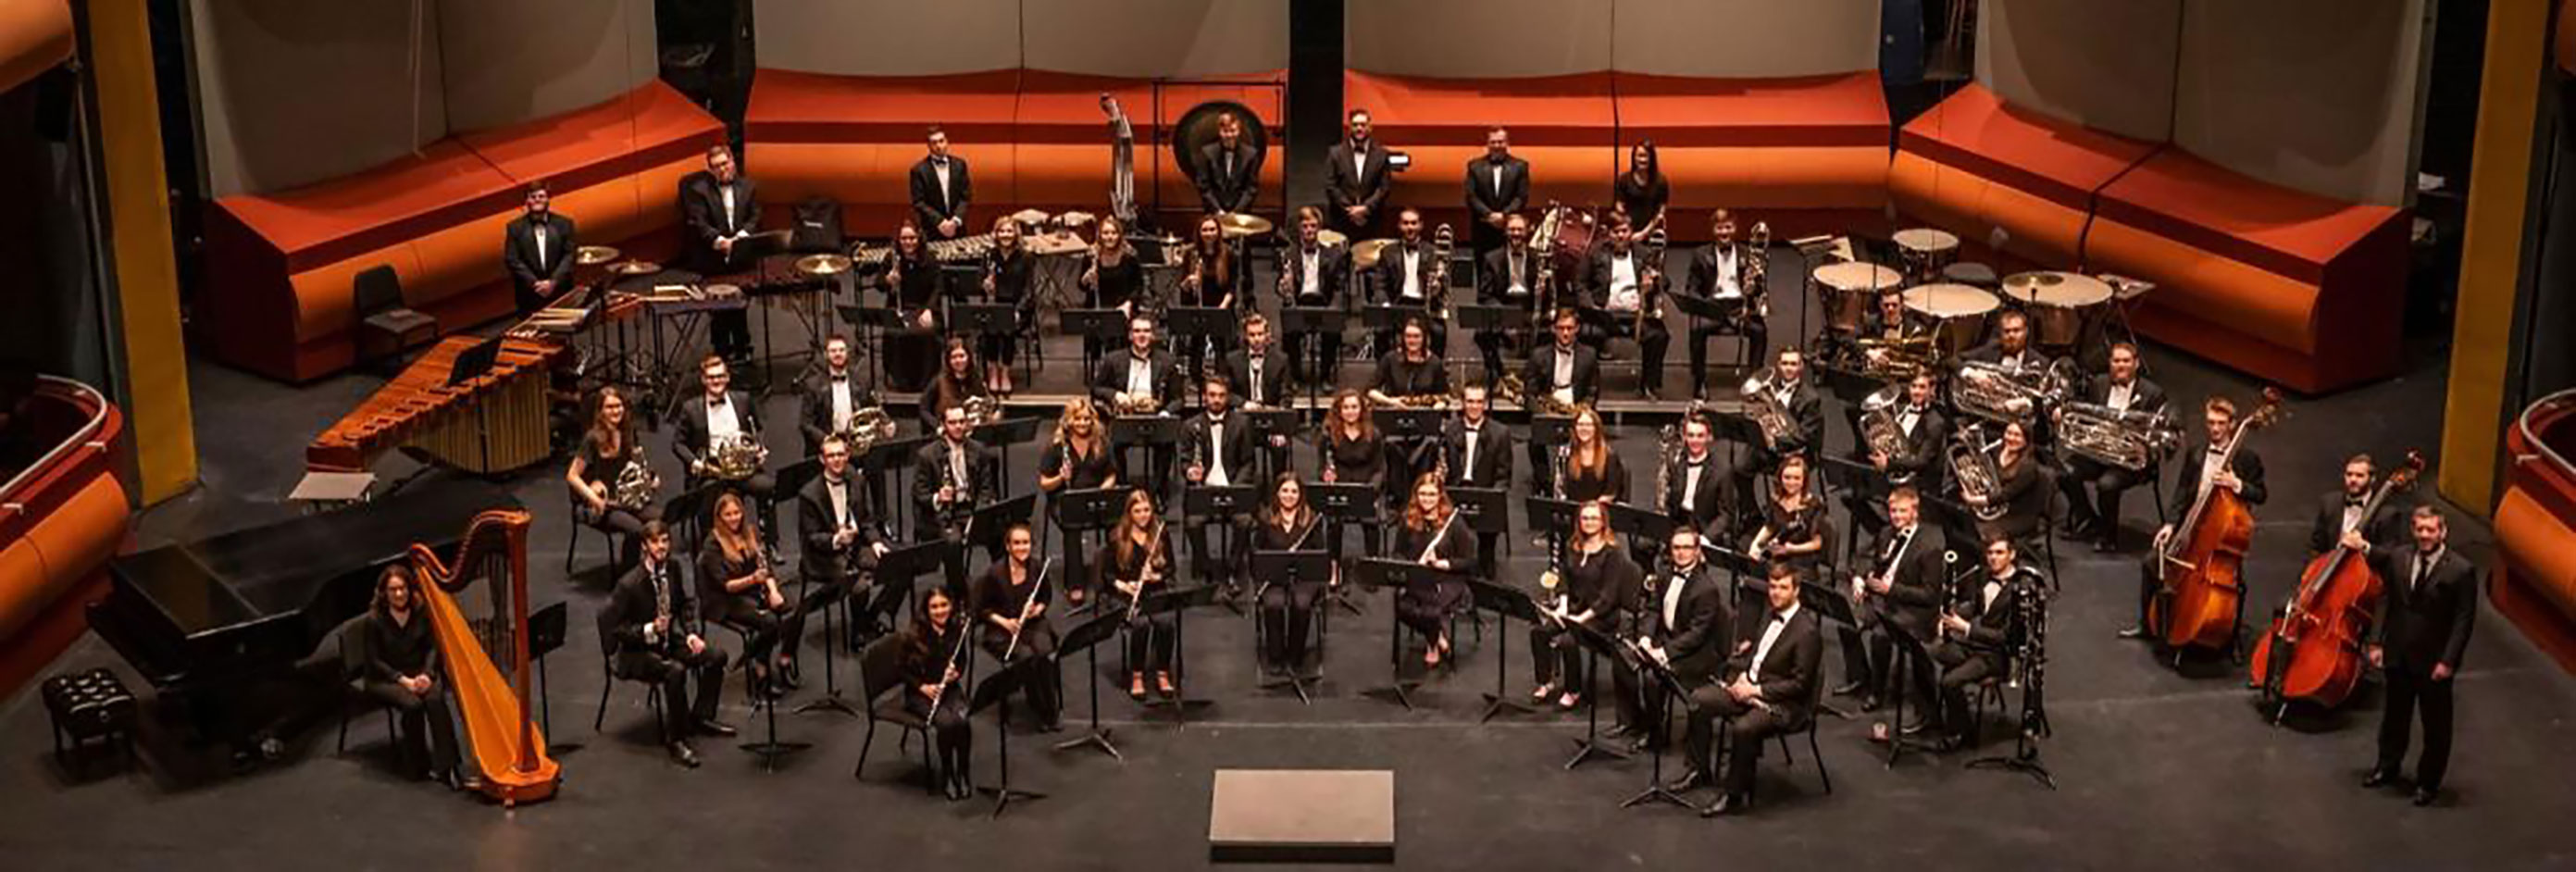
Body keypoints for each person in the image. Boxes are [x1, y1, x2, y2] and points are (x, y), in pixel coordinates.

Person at [1683, 561, 1822, 817]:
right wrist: (1742, 679)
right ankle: (1699, 770)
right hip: (1753, 686)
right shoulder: (1769, 614)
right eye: (1772, 586)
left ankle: (1734, 795)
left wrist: (1756, 691)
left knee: (1744, 727)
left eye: (1783, 587)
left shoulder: (1807, 632)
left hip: (1785, 704)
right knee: (1698, 700)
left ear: (1796, 591)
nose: (1776, 592)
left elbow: (1800, 685)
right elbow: (1756, 658)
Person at [2359, 506, 2478, 806]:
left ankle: (2428, 782)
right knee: (2394, 717)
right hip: (2398, 653)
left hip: (2433, 660)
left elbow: (2463, 620)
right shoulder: (2399, 557)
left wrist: (2448, 661)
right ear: (2413, 530)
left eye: (2431, 530)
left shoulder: (2461, 570)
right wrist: (2376, 642)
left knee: (2436, 726)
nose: (2425, 535)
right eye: (2420, 529)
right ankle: (2387, 766)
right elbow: (2386, 600)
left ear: (2443, 532)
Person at [2126, 396, 2270, 639]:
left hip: (2220, 538)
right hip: (2190, 527)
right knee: (2152, 563)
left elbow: (2261, 494)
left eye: (2221, 423)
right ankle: (2147, 626)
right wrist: (2170, 524)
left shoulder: (2247, 459)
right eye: (2211, 423)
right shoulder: (2197, 453)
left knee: (2224, 586)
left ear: (2232, 424)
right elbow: (2182, 491)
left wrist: (2237, 484)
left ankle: (2223, 634)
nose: (2215, 429)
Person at [607, 522, 733, 767]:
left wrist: (691, 634)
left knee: (716, 656)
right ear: (645, 546)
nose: (661, 546)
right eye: (655, 542)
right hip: (637, 651)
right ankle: (676, 738)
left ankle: (700, 716)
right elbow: (616, 630)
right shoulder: (629, 584)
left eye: (665, 540)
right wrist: (649, 629)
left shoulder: (673, 568)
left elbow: (685, 605)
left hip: (667, 641)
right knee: (675, 671)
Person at [360, 565, 468, 790]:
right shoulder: (374, 621)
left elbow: (432, 647)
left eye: (403, 588)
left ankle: (449, 767)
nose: (399, 594)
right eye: (393, 590)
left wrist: (427, 675)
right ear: (384, 593)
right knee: (412, 705)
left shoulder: (422, 611)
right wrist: (403, 680)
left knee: (435, 699)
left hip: (420, 671)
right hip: (386, 677)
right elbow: (374, 661)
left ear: (410, 589)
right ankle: (417, 763)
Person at [1625, 529, 1730, 753]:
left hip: (1697, 654)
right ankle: (1644, 724)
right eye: (1677, 548)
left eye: (1687, 548)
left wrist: (1663, 653)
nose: (1681, 553)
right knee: (1627, 661)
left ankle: (1656, 734)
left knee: (1653, 678)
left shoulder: (1706, 589)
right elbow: (1653, 609)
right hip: (1669, 640)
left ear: (1697, 551)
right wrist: (1645, 638)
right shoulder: (1664, 574)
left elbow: (1697, 634)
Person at [2056, 343, 2167, 551]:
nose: (2121, 365)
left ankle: (2108, 536)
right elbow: (2085, 416)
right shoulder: (2099, 383)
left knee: (2106, 485)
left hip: (2130, 461)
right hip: (2099, 453)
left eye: (2126, 361)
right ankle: (2086, 519)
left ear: (2136, 364)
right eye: (2116, 361)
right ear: (2110, 363)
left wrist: (2144, 449)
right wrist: (2064, 414)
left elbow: (2158, 435)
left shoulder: (2153, 393)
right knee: (2063, 471)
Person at [1532, 500, 1639, 711]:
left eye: (1594, 518)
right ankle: (1545, 681)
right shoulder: (1573, 546)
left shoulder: (1613, 553)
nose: (1589, 522)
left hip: (1601, 618)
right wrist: (1563, 606)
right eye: (1585, 518)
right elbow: (1562, 577)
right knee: (1539, 632)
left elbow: (1608, 597)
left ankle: (1574, 690)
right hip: (1574, 611)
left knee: (1568, 640)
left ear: (1603, 522)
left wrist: (1580, 620)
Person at [1931, 535, 2034, 752]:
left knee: (1950, 681)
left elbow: (2006, 637)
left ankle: (1960, 731)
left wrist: (1966, 628)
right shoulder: (1985, 576)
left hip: (1997, 656)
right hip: (1975, 646)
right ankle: (1941, 712)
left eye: (1999, 553)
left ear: (2012, 555)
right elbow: (1977, 608)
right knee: (1929, 651)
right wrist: (1950, 616)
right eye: (1990, 553)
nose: (1993, 558)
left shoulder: (2022, 589)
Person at [697, 492, 802, 699]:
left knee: (796, 610)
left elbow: (765, 566)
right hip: (725, 599)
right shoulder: (712, 545)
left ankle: (784, 659)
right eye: (728, 515)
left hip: (752, 588)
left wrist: (773, 591)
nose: (734, 518)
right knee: (770, 622)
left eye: (737, 513)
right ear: (719, 517)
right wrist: (754, 579)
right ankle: (760, 667)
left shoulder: (750, 532)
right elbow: (726, 586)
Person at [1856, 486, 1948, 722]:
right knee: (1847, 620)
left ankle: (1877, 691)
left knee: (1880, 634)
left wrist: (1891, 590)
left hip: (1913, 609)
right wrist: (1859, 578)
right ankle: (1860, 676)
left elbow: (1930, 595)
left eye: (1902, 511)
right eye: (1893, 511)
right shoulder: (1886, 533)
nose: (1896, 516)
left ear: (1915, 512)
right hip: (1883, 599)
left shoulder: (1930, 546)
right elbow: (1867, 559)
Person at [671, 355, 777, 550]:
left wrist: (760, 448)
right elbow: (677, 443)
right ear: (703, 380)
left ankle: (770, 541)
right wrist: (694, 462)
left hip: (742, 467)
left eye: (720, 376)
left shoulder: (743, 400)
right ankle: (711, 547)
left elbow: (757, 428)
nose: (716, 381)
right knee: (708, 496)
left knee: (768, 487)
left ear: (727, 377)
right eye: (711, 377)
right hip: (712, 470)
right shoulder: (690, 408)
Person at [798, 435, 896, 642]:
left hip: (856, 546)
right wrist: (835, 539)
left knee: (900, 567)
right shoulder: (809, 494)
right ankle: (858, 633)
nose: (837, 459)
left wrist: (876, 542)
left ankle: (869, 618)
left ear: (848, 455)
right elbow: (812, 537)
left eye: (841, 454)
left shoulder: (857, 481)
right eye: (831, 455)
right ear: (822, 459)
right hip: (825, 555)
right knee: (859, 586)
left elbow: (867, 520)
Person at [973, 523, 1062, 730]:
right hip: (1002, 630)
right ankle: (1039, 706)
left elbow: (1045, 597)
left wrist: (1037, 610)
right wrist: (1005, 621)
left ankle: (1051, 708)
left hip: (1032, 623)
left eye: (1026, 543)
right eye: (1017, 543)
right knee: (1026, 657)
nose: (1022, 547)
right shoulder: (994, 574)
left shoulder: (1037, 567)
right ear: (1008, 546)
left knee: (1045, 652)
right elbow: (981, 610)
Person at [1095, 490, 1179, 700]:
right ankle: (1137, 675)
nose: (1143, 515)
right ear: (1129, 513)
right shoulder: (1117, 537)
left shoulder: (1160, 533)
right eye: (1138, 511)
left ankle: (1162, 672)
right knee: (1140, 625)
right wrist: (1124, 585)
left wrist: (1156, 577)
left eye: (1147, 510)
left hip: (1154, 590)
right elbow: (1107, 575)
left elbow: (1171, 568)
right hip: (1126, 595)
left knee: (1166, 622)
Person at [1039, 399, 1122, 607]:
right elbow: (1045, 484)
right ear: (1069, 421)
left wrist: (1104, 489)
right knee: (1072, 527)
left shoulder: (1102, 443)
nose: (1083, 423)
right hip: (1065, 500)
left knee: (1117, 523)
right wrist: (1059, 477)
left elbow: (1111, 474)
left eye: (1087, 418)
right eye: (1078, 419)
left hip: (1095, 497)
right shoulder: (1057, 447)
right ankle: (1074, 584)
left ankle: (1114, 576)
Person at [678, 145, 759, 358]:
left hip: (740, 255)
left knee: (739, 301)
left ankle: (743, 347)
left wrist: (740, 238)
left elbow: (755, 217)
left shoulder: (748, 186)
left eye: (725, 163)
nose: (722, 169)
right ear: (711, 170)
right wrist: (720, 241)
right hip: (713, 256)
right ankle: (721, 349)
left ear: (732, 161)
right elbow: (699, 222)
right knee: (719, 305)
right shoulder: (699, 191)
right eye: (716, 167)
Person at [566, 387, 655, 572]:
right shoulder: (592, 439)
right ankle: (629, 576)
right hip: (599, 505)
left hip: (625, 499)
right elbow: (572, 475)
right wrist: (593, 497)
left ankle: (653, 570)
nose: (616, 411)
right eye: (610, 407)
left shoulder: (629, 433)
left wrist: (650, 480)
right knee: (636, 529)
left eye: (619, 406)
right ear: (600, 412)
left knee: (659, 520)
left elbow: (637, 465)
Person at [1583, 214, 1672, 399]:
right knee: (1586, 333)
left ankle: (1649, 384)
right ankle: (1588, 384)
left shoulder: (1644, 254)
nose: (1621, 236)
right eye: (1617, 232)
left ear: (1631, 232)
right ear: (1609, 234)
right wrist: (1590, 306)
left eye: (1625, 231)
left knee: (1659, 336)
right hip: (1604, 314)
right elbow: (1580, 284)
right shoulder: (1594, 253)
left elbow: (1666, 283)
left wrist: (1655, 281)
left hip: (1636, 315)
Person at [1390, 473, 1475, 667]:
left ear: (1440, 496)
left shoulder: (1454, 523)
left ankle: (1432, 646)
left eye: (1432, 494)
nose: (1427, 499)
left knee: (1430, 611)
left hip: (1447, 578)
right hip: (1418, 576)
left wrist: (1445, 563)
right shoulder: (1408, 520)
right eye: (1422, 494)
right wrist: (1407, 564)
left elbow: (1469, 560)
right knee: (1402, 608)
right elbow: (1397, 552)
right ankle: (1438, 638)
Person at [900, 586, 976, 801]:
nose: (940, 611)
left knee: (963, 721)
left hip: (948, 689)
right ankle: (948, 774)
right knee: (947, 723)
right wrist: (922, 686)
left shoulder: (956, 630)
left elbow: (962, 660)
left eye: (944, 605)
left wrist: (956, 673)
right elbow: (901, 670)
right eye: (934, 607)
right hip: (920, 693)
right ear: (926, 610)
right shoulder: (913, 636)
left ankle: (963, 771)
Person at [1180, 375, 1256, 590]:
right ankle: (1204, 567)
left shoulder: (1242, 424)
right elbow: (1184, 461)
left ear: (1228, 398)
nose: (1216, 400)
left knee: (1244, 521)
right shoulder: (1190, 425)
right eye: (1212, 395)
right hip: (1204, 490)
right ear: (1204, 397)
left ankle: (1233, 567)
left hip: (1232, 487)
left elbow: (1248, 462)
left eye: (1221, 396)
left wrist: (1234, 489)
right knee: (1194, 522)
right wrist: (1190, 472)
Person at [1252, 473, 1330, 676]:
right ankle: (1276, 657)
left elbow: (1319, 553)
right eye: (1285, 491)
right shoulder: (1266, 517)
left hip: (1305, 577)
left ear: (1301, 494)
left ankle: (1296, 656)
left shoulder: (1312, 519)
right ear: (1277, 493)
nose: (1289, 495)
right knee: (1274, 604)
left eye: (1294, 491)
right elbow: (1256, 551)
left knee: (1302, 603)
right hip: (1274, 576)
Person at [913, 405, 995, 592]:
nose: (958, 426)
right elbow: (920, 493)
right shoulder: (927, 455)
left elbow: (986, 488)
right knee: (953, 543)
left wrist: (980, 516)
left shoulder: (979, 450)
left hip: (971, 508)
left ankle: (1000, 588)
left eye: (961, 422)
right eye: (952, 422)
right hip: (943, 514)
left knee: (1002, 533)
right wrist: (938, 496)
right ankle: (958, 595)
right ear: (943, 425)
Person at [1734, 346, 1823, 517]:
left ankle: (1783, 517)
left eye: (1793, 364)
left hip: (1798, 452)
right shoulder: (1771, 389)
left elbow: (1805, 436)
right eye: (1785, 363)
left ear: (1801, 367)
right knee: (1739, 468)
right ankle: (1751, 513)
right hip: (1773, 447)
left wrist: (1775, 441)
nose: (1789, 368)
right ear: (1778, 366)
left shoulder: (1811, 398)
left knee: (1785, 475)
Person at [1683, 209, 1764, 398]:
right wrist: (1702, 305)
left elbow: (1760, 290)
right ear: (1713, 230)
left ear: (1735, 228)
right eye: (1720, 228)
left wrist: (1755, 287)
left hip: (1739, 306)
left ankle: (1754, 382)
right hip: (1713, 306)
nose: (1724, 232)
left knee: (1759, 331)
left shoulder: (1748, 253)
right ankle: (1699, 380)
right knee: (1696, 330)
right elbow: (1691, 288)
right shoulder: (1700, 254)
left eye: (1728, 227)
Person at [1092, 314, 1180, 484]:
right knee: (1113, 444)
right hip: (1126, 415)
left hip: (1156, 415)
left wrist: (1165, 413)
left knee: (1166, 443)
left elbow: (1178, 399)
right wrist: (1115, 395)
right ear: (1130, 335)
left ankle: (1158, 491)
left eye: (1146, 331)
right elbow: (1096, 388)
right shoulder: (1113, 359)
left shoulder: (1168, 361)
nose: (1142, 335)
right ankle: (1122, 487)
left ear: (1153, 335)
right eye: (1137, 331)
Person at [1521, 307, 1600, 483]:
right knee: (1535, 442)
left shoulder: (1589, 355)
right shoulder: (1538, 355)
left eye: (1569, 328)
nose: (1565, 333)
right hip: (1548, 406)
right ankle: (1544, 484)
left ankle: (1579, 481)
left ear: (1577, 328)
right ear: (1554, 329)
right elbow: (1530, 392)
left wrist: (1583, 412)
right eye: (1561, 328)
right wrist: (1541, 414)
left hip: (1576, 408)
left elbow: (1592, 391)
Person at [1439, 382, 1512, 574]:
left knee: (1487, 544)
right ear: (1463, 403)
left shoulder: (1500, 433)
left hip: (1485, 491)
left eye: (1479, 402)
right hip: (1457, 491)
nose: (1474, 406)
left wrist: (1494, 497)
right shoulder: (1450, 429)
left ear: (1486, 404)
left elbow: (1504, 474)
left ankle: (1486, 574)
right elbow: (1444, 465)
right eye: (1470, 401)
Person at [1369, 316, 1450, 486]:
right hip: (1395, 416)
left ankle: (1420, 490)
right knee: (1390, 445)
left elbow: (1444, 396)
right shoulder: (1390, 359)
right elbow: (1371, 391)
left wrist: (1434, 409)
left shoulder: (1434, 362)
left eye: (1416, 336)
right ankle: (1396, 495)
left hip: (1423, 420)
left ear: (1424, 338)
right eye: (1408, 336)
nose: (1412, 341)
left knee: (1430, 444)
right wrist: (1392, 402)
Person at [1277, 206, 1352, 389]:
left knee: (1332, 332)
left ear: (1319, 228)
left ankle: (1325, 375)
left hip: (1324, 302)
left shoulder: (1334, 255)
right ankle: (1295, 376)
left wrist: (1334, 309)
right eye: (1305, 226)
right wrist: (1282, 288)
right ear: (1299, 229)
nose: (1309, 230)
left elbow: (1340, 286)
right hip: (1299, 302)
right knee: (1289, 332)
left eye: (1313, 226)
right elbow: (1277, 288)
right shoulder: (1289, 254)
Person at [1318, 388, 1390, 557]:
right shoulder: (1328, 435)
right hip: (1340, 490)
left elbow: (1380, 468)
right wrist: (1326, 476)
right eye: (1346, 408)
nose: (1350, 412)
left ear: (1362, 410)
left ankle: (1372, 562)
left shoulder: (1374, 434)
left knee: (1371, 521)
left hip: (1366, 488)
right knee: (1333, 522)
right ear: (1339, 410)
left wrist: (1371, 491)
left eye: (1354, 407)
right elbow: (1321, 466)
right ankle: (1334, 566)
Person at [875, 221, 944, 392]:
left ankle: (926, 381)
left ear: (919, 239)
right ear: (898, 240)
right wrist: (888, 280)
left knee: (927, 332)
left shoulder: (930, 259)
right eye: (904, 238)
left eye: (912, 238)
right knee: (895, 333)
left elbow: (938, 287)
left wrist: (929, 309)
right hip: (899, 308)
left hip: (924, 308)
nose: (908, 242)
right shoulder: (891, 259)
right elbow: (878, 284)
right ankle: (902, 382)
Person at [1475, 213, 1544, 379]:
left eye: (1520, 229)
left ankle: (1537, 375)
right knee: (1481, 333)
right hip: (1503, 304)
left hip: (1529, 306)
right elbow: (1484, 295)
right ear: (1505, 232)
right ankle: (1498, 373)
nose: (1516, 233)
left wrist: (1544, 289)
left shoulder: (1539, 257)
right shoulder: (1492, 258)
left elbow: (1549, 295)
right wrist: (1506, 318)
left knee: (1550, 331)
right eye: (1512, 229)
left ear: (1527, 232)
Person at [1370, 207, 1447, 355]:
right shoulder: (1388, 252)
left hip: (1424, 306)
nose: (1410, 227)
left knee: (1439, 332)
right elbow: (1379, 283)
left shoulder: (1432, 252)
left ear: (1420, 225)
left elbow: (1441, 286)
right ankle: (1384, 372)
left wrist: (1437, 287)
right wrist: (1385, 305)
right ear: (1399, 226)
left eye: (1413, 223)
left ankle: (1434, 372)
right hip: (1398, 304)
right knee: (1380, 332)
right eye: (1405, 223)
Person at [1176, 214, 1244, 376]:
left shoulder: (1229, 254)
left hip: (1221, 305)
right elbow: (1182, 287)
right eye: (1205, 230)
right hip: (1197, 305)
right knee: (1196, 348)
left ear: (1219, 231)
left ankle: (1222, 381)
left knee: (1221, 349)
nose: (1209, 233)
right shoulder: (1190, 254)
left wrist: (1221, 308)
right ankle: (1196, 380)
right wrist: (1188, 281)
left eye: (1212, 229)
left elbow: (1233, 287)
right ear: (1199, 233)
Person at [2308, 454, 2413, 559]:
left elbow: (2391, 554)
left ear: (2372, 479)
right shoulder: (2329, 503)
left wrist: (2363, 546)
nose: (2353, 479)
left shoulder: (2387, 513)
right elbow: (2317, 546)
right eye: (2349, 474)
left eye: (2359, 475)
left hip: (2366, 571)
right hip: (2330, 569)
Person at [977, 216, 1037, 394]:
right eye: (1002, 231)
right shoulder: (989, 255)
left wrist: (1018, 310)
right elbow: (978, 283)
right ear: (996, 234)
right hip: (995, 304)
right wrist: (984, 285)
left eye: (1009, 231)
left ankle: (1005, 372)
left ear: (1016, 233)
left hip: (1018, 307)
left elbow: (1029, 290)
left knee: (1007, 327)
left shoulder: (1025, 257)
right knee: (991, 327)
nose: (1005, 235)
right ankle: (993, 369)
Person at [798, 335, 883, 457]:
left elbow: (872, 411)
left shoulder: (862, 381)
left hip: (856, 443)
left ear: (847, 353)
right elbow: (805, 423)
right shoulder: (813, 385)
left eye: (841, 350)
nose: (838, 354)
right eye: (833, 351)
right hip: (828, 446)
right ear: (826, 355)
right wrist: (828, 441)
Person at [1966, 418, 2047, 545]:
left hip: (2016, 514)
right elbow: (1986, 475)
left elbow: (2007, 494)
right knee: (1958, 519)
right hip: (1995, 505)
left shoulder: (2028, 467)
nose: (2011, 438)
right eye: (2009, 433)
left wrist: (1976, 500)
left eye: (2017, 435)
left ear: (2026, 440)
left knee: (1976, 531)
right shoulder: (1997, 451)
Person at [502, 181, 576, 315]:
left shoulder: (564, 224)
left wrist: (553, 282)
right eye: (533, 196)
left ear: (548, 199)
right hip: (529, 294)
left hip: (560, 291)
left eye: (541, 196)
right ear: (527, 201)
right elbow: (512, 259)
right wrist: (535, 283)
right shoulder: (514, 228)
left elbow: (569, 255)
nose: (537, 200)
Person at [1462, 127, 1529, 258]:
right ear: (1487, 144)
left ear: (1507, 143)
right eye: (1493, 142)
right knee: (1482, 272)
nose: (1497, 145)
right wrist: (1489, 215)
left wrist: (1504, 215)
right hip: (1482, 229)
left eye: (1501, 142)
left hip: (1509, 229)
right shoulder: (1474, 166)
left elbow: (1521, 197)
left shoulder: (1520, 166)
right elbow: (1471, 196)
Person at [1325, 108, 1392, 238]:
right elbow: (1330, 185)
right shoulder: (1335, 153)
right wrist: (1350, 209)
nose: (1359, 128)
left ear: (1370, 127)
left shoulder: (1382, 155)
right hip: (1342, 220)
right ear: (1349, 127)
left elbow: (1384, 187)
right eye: (1355, 125)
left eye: (1363, 125)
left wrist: (1366, 208)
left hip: (1372, 220)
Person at [909, 125, 973, 240]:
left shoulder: (960, 165)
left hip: (958, 227)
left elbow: (966, 196)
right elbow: (919, 202)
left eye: (941, 141)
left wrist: (955, 220)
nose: (938, 146)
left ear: (947, 142)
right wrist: (940, 222)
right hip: (931, 229)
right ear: (928, 146)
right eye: (934, 143)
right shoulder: (918, 170)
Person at [1195, 110, 1263, 215]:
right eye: (1225, 131)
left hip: (1241, 213)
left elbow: (1251, 188)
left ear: (1239, 131)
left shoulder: (1250, 154)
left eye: (1232, 130)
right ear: (1219, 131)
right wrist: (1217, 210)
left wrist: (1237, 211)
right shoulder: (1207, 153)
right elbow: (1204, 186)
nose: (1229, 135)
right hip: (1213, 212)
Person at [1555, 405, 1627, 504]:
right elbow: (1561, 488)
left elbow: (1610, 492)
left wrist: (1590, 510)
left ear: (1596, 428)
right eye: (1580, 424)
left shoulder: (1610, 456)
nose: (1584, 428)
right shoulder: (1566, 454)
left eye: (1589, 425)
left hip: (1599, 512)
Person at [920, 336, 992, 433]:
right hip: (946, 435)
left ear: (969, 357)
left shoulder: (976, 379)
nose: (958, 361)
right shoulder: (939, 381)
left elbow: (984, 405)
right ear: (948, 360)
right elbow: (924, 408)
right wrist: (937, 426)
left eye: (962, 356)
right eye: (954, 357)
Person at [1225, 312, 1291, 412]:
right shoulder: (1232, 360)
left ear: (1267, 335)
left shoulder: (1281, 360)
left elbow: (1286, 393)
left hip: (1270, 414)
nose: (1256, 339)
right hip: (1242, 413)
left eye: (1260, 334)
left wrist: (1279, 409)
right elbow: (1225, 392)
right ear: (1245, 336)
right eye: (1252, 335)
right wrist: (1243, 403)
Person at [1612, 141, 1669, 235]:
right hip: (1628, 232)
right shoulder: (1624, 180)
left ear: (1651, 158)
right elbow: (1619, 207)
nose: (1642, 160)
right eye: (1639, 156)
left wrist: (1644, 233)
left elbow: (1660, 213)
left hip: (1651, 233)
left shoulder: (1660, 182)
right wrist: (1628, 231)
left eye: (1646, 156)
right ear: (1634, 158)